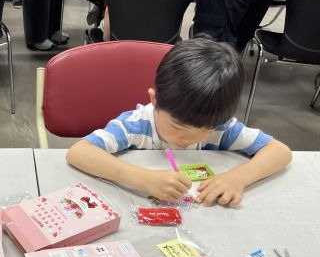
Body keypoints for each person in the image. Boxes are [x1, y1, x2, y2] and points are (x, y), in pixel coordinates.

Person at [66, 36, 292, 207]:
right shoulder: (137, 125)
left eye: (203, 131)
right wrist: (144, 179)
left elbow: (280, 151)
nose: (186, 140)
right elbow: (79, 152)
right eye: (177, 127)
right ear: (154, 100)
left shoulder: (220, 127)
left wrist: (238, 178)